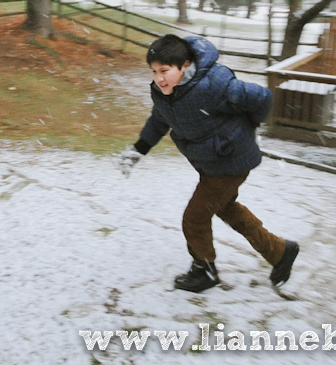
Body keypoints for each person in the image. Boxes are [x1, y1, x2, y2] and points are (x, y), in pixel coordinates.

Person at [119, 34, 298, 293]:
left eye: (165, 71)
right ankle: (280, 251)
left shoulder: (214, 85)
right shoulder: (164, 92)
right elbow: (159, 120)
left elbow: (262, 98)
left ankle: (204, 270)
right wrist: (139, 150)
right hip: (210, 161)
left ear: (185, 66)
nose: (159, 77)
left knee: (194, 217)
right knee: (227, 209)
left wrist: (245, 129)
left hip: (230, 160)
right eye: (154, 71)